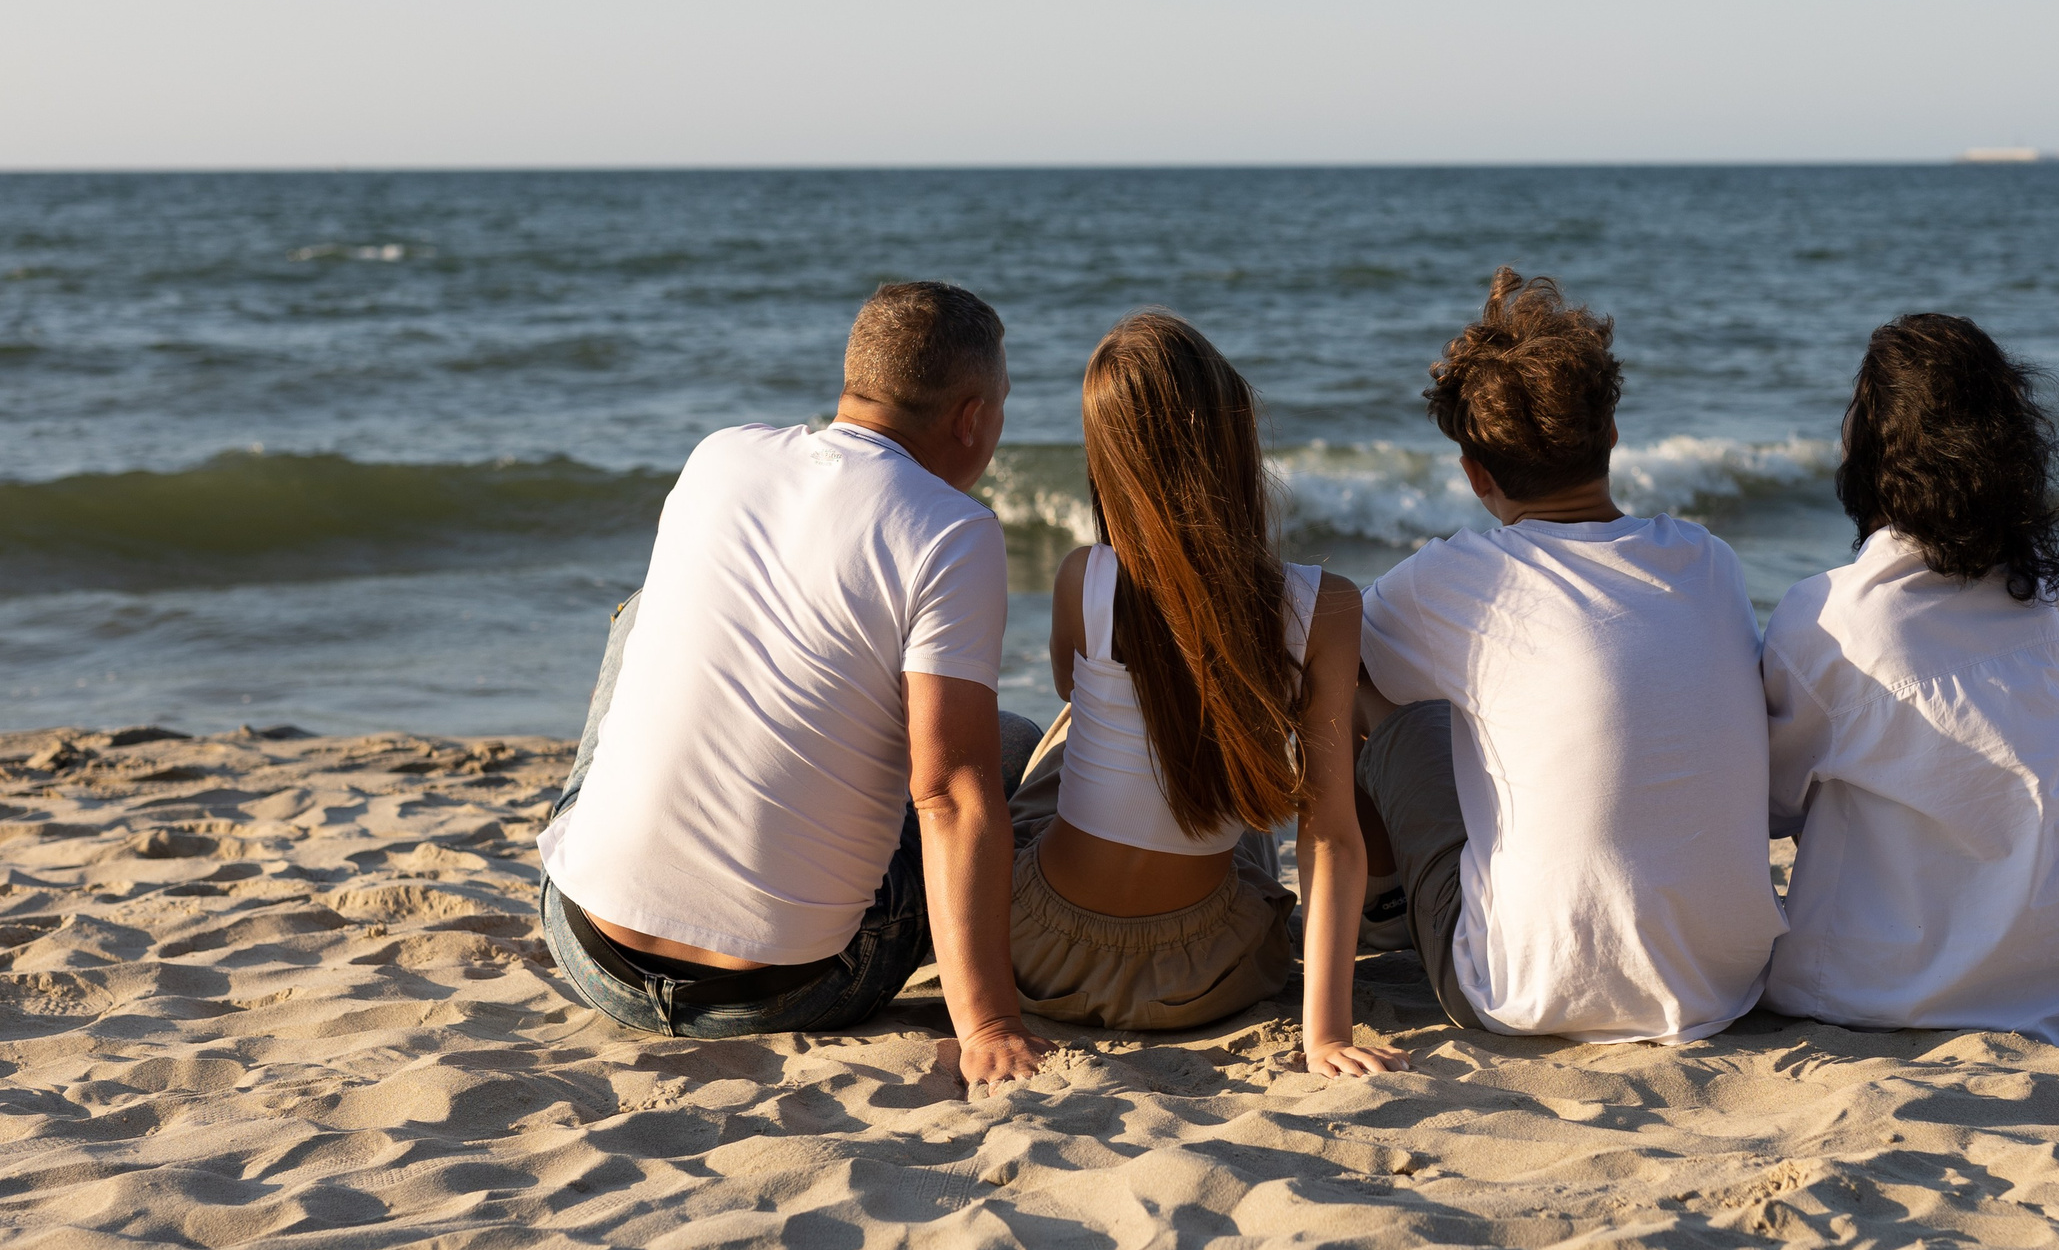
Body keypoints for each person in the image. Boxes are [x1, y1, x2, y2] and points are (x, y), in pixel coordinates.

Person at [535, 280, 1052, 1085]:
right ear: (973, 416)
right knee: (1007, 745)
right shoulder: (953, 529)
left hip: (589, 947)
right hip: (794, 990)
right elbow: (948, 792)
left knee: (648, 612)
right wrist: (988, 1023)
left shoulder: (721, 454)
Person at [1353, 269, 1782, 1044]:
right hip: (1725, 983)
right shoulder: (1708, 560)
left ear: (1475, 474)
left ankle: (1376, 904)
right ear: (1611, 434)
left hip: (1523, 992)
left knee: (1372, 689)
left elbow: (1333, 651)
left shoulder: (1459, 577)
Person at [1003, 312, 1406, 1076]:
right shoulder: (1324, 605)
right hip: (1204, 977)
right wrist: (1326, 1034)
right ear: (1233, 440)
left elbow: (1068, 690)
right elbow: (1330, 834)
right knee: (1251, 794)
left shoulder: (1082, 578)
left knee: (1063, 730)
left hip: (1040, 956)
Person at [1761, 313, 2059, 1047]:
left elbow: (1771, 801)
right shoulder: (2033, 597)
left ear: (1876, 448)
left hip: (1895, 988)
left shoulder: (1830, 621)